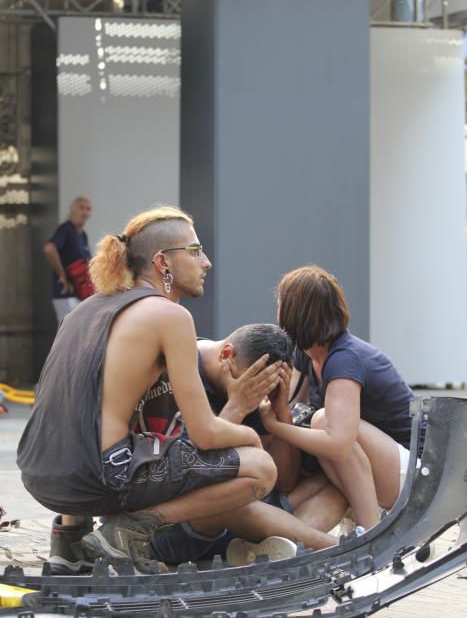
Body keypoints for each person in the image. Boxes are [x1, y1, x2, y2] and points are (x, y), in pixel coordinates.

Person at [18, 206, 281, 574]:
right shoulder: (170, 316)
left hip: (39, 470)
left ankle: (69, 542)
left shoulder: (86, 309)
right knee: (260, 468)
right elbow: (205, 433)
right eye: (195, 250)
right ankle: (125, 534)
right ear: (163, 262)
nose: (206, 262)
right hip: (99, 475)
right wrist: (251, 434)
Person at [141, 324, 347, 566]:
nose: (258, 397)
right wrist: (236, 407)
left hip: (247, 515)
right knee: (231, 499)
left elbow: (284, 482)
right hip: (182, 524)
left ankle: (273, 548)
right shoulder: (178, 368)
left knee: (336, 482)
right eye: (255, 389)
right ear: (226, 355)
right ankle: (335, 549)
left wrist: (281, 414)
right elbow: (184, 473)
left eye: (264, 392)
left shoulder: (253, 382)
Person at [259, 265, 421, 531]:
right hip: (369, 465)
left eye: (280, 303)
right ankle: (285, 539)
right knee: (318, 466)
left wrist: (277, 427)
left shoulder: (345, 359)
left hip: (412, 470)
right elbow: (292, 412)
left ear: (296, 311)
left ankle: (371, 531)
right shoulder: (307, 354)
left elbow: (339, 443)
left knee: (324, 423)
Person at [43, 196, 94, 323]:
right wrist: (62, 276)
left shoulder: (82, 235)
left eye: (88, 209)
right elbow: (49, 249)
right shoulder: (65, 229)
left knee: (79, 332)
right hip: (65, 295)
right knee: (70, 333)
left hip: (78, 294)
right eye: (81, 207)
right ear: (72, 209)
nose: (84, 212)